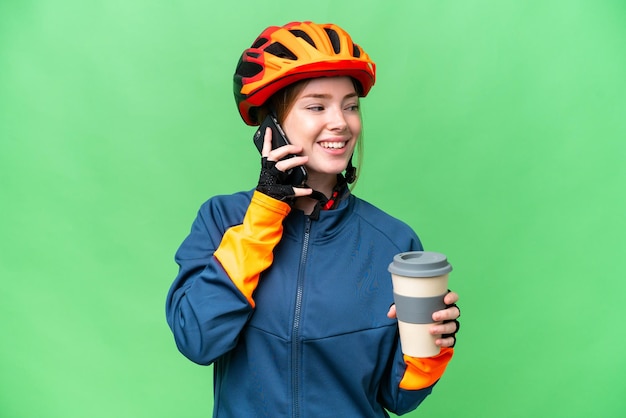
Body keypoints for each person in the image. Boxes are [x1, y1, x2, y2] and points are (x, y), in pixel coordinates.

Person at [165, 21, 461, 417]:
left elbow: (398, 397)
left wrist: (431, 349)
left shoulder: (393, 242)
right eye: (317, 105)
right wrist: (265, 212)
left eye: (351, 105)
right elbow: (198, 340)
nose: (341, 121)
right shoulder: (222, 220)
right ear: (273, 125)